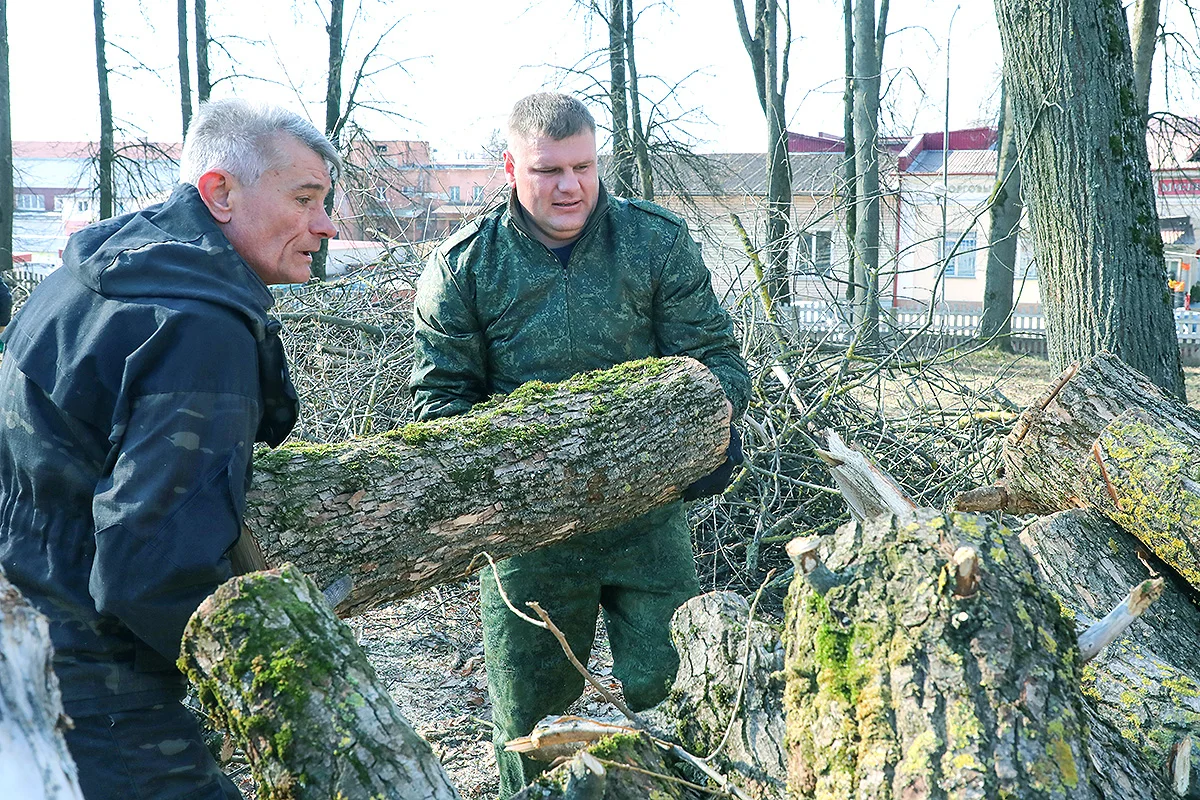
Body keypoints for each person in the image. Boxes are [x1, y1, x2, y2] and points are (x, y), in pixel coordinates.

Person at [410, 92, 750, 798]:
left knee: (686, 689)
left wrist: (710, 435)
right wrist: (510, 482)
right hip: (529, 540)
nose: (569, 186)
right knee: (531, 724)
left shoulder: (654, 241)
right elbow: (441, 406)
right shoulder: (466, 267)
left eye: (582, 167)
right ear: (510, 167)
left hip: (648, 522)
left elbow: (716, 358)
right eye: (548, 170)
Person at [0, 98, 339, 799]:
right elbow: (151, 563)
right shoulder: (196, 327)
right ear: (220, 192)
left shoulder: (104, 269)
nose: (324, 225)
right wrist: (273, 681)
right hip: (82, 661)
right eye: (305, 199)